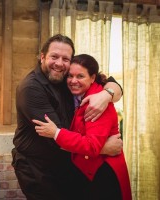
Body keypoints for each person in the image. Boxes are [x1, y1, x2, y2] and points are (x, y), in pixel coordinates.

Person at [12, 34, 123, 200]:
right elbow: (57, 136)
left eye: (65, 59)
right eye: (54, 57)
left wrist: (106, 94)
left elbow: (110, 82)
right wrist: (103, 148)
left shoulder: (65, 77)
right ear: (42, 57)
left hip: (64, 163)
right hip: (37, 168)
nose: (59, 63)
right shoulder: (31, 89)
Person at [33, 54, 132, 200]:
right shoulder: (69, 90)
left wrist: (56, 133)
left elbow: (92, 145)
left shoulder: (97, 103)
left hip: (102, 174)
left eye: (80, 76)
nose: (73, 81)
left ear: (92, 78)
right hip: (87, 171)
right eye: (70, 76)